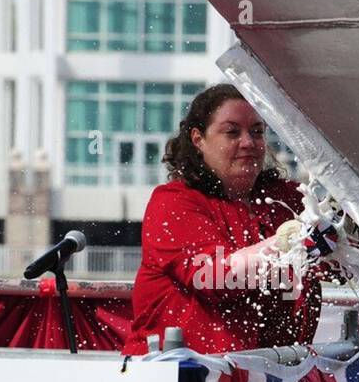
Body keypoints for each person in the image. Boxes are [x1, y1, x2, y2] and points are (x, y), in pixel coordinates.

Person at [123, 84, 325, 355]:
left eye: (257, 132)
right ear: (198, 139)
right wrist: (295, 243)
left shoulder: (288, 199)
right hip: (187, 381)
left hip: (272, 379)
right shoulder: (172, 202)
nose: (248, 142)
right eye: (232, 132)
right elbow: (214, 276)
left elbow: (341, 260)